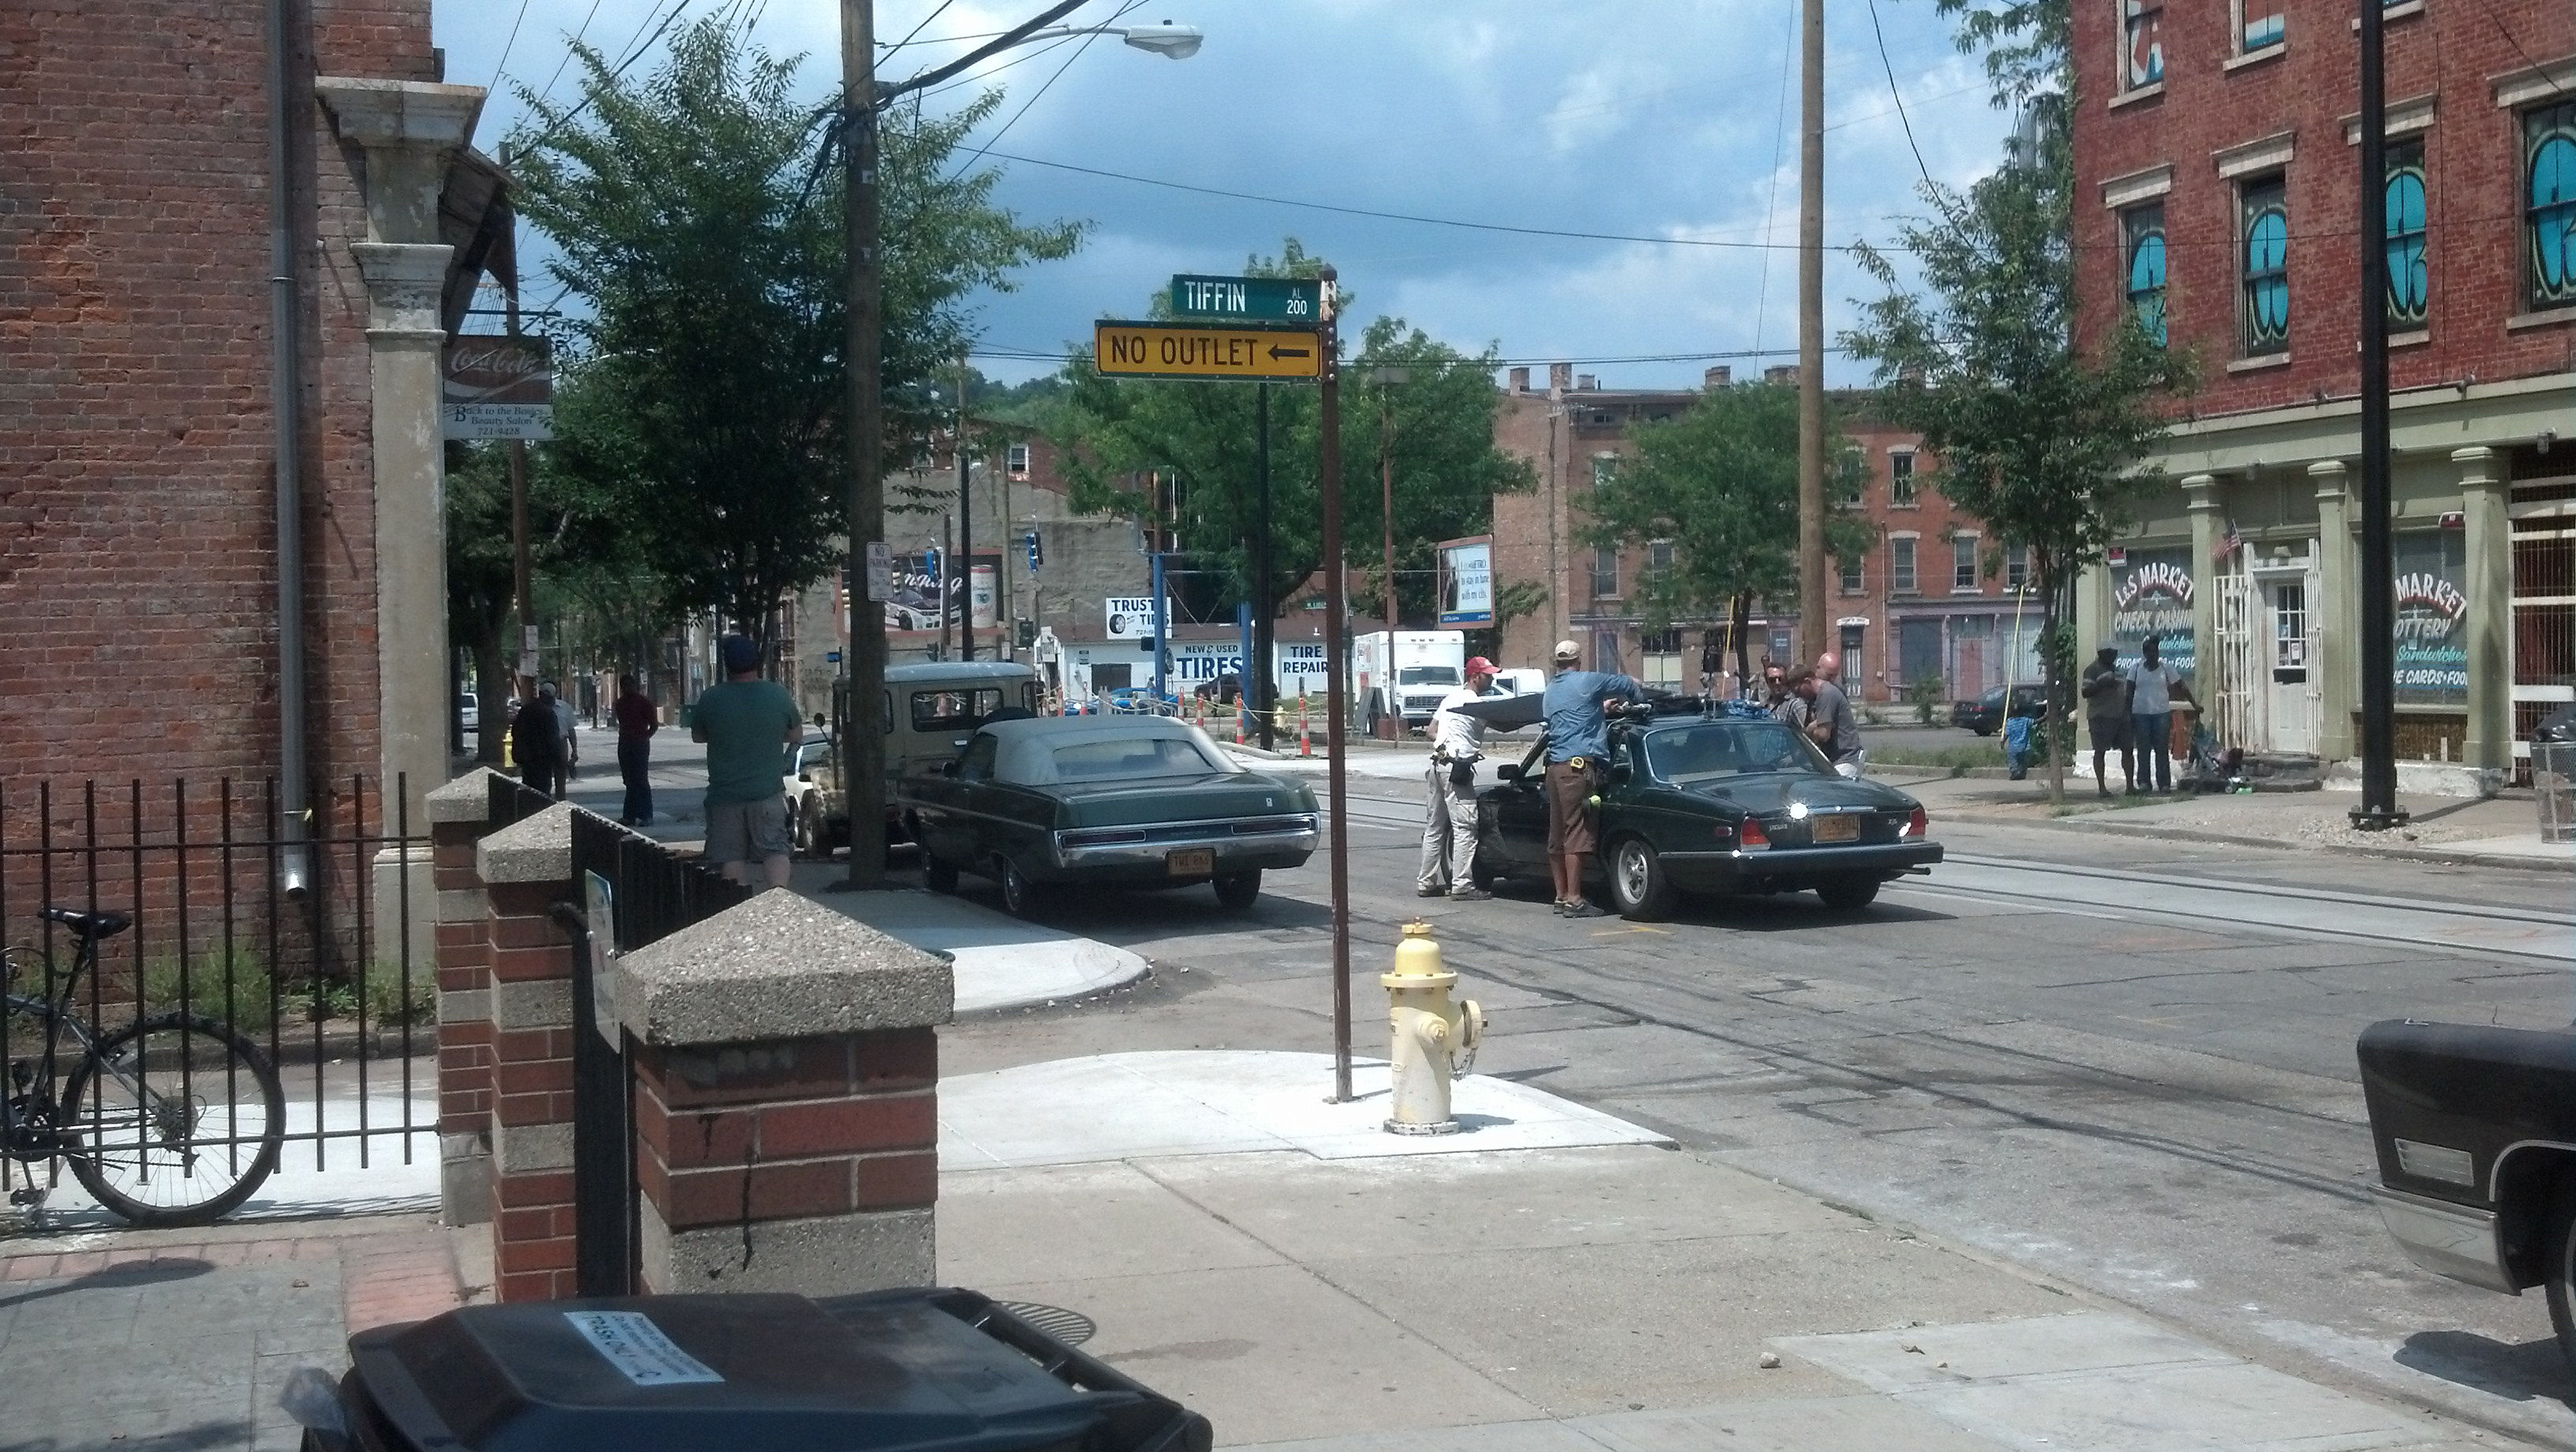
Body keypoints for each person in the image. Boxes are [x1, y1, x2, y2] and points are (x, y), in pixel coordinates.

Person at [691, 634, 802, 888]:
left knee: (731, 857)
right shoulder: (777, 695)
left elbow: (698, 736)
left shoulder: (711, 698)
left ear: (726, 665)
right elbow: (796, 735)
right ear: (757, 662)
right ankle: (779, 901)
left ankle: (739, 908)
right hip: (768, 793)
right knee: (775, 850)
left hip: (725, 795)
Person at [1541, 641, 1642, 919]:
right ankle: (1575, 899)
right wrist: (1639, 699)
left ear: (1557, 661)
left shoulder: (1551, 691)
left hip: (1555, 768)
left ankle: (1561, 896)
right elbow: (1626, 682)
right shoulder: (1587, 680)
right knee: (1577, 832)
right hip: (1578, 769)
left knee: (1557, 832)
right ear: (1579, 660)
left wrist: (1600, 708)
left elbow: (1573, 718)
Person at [1419, 657, 1499, 902]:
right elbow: (1503, 722)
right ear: (1474, 676)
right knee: (1465, 827)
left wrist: (1445, 742)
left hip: (1437, 764)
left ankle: (1427, 882)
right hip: (1457, 768)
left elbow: (1431, 730)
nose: (1492, 678)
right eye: (1487, 675)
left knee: (1435, 827)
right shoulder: (1477, 705)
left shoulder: (1451, 698)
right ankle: (1462, 885)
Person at [2125, 635, 2196, 795]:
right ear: (2145, 653)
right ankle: (2144, 782)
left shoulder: (2166, 668)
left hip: (2161, 714)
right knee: (2143, 750)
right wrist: (2127, 714)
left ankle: (2164, 783)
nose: (2153, 655)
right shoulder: (2135, 669)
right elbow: (2128, 693)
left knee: (2161, 750)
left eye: (2155, 652)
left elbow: (2181, 686)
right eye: (2150, 652)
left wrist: (2194, 704)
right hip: (2140, 714)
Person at [2080, 645, 2134, 798]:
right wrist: (2100, 684)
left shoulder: (2117, 669)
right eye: (2111, 652)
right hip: (2100, 716)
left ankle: (2130, 786)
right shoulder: (2092, 670)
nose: (2114, 655)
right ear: (2102, 653)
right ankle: (2102, 788)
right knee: (2100, 751)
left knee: (2128, 749)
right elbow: (2085, 692)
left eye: (2115, 652)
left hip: (2120, 715)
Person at [1798, 663, 1864, 777]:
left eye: (1798, 690)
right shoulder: (1814, 698)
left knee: (1834, 791)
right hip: (1830, 760)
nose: (1798, 695)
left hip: (1845, 759)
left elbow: (1823, 734)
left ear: (1807, 681)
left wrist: (1809, 729)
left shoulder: (1827, 693)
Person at [613, 674, 660, 826]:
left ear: (635, 685)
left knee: (640, 780)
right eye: (624, 686)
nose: (627, 688)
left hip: (639, 745)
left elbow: (654, 724)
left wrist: (644, 737)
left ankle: (647, 815)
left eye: (630, 685)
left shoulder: (644, 702)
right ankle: (630, 815)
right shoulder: (619, 704)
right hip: (625, 744)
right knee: (629, 781)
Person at [508, 687, 563, 800]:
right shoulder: (548, 713)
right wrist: (558, 759)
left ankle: (529, 810)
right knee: (543, 790)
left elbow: (516, 732)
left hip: (527, 758)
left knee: (529, 787)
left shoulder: (526, 710)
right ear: (550, 698)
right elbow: (553, 739)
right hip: (543, 759)